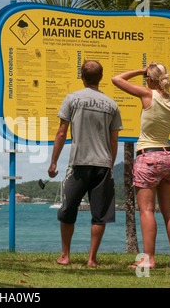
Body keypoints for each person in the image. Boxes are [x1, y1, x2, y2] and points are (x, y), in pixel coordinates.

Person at [112, 62, 170, 269]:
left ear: (150, 80)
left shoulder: (147, 95)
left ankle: (149, 259)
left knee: (146, 210)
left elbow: (116, 80)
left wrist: (139, 70)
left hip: (148, 157)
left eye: (147, 77)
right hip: (169, 157)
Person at [48, 60, 123, 267]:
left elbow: (62, 133)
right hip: (103, 165)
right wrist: (109, 165)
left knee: (68, 211)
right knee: (99, 215)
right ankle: (92, 259)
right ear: (100, 78)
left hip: (79, 164)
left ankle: (65, 255)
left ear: (82, 76)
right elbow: (114, 139)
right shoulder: (111, 104)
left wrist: (53, 162)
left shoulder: (72, 98)